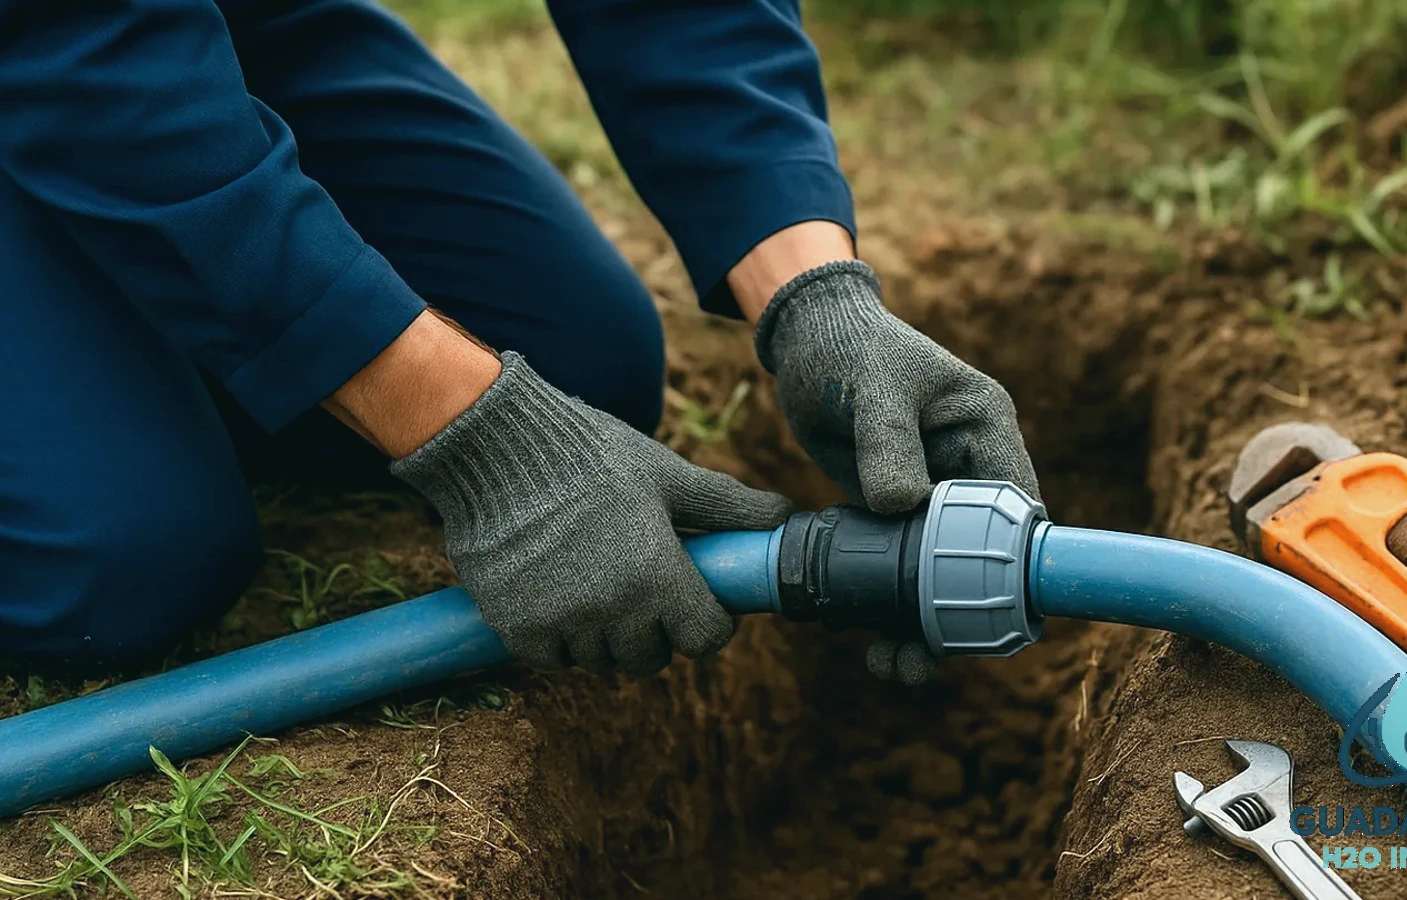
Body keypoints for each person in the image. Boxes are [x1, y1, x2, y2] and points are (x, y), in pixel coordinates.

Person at [0, 0, 1039, 684]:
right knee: (115, 562)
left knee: (577, 361)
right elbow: (93, 66)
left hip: (197, 27)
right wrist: (479, 437)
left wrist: (813, 293)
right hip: (73, 35)